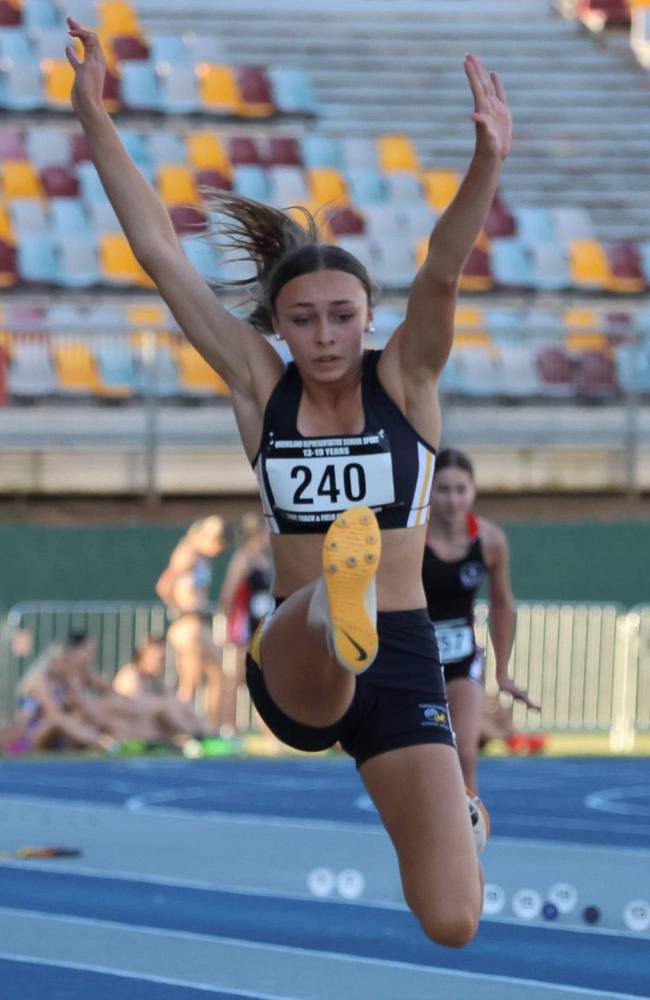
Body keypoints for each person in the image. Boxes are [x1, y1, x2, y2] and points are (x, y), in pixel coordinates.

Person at [67, 18, 510, 948]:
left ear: (367, 316)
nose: (325, 337)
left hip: (402, 661)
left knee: (454, 922)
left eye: (343, 317)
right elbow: (157, 250)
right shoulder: (259, 386)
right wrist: (91, 113)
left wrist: (486, 162)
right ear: (277, 324)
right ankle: (329, 601)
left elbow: (444, 268)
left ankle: (464, 821)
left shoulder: (409, 386)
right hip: (297, 660)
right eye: (303, 320)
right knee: (320, 612)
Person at [423, 447, 540, 791]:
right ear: (428, 491)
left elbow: (502, 603)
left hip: (461, 656)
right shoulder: (410, 539)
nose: (453, 500)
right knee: (419, 752)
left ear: (473, 491)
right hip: (416, 655)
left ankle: (467, 832)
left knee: (464, 753)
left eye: (461, 490)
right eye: (443, 490)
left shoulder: (489, 540)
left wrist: (502, 673)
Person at [154, 515, 225, 727]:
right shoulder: (187, 554)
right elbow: (164, 585)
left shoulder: (201, 558)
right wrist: (182, 607)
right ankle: (184, 726)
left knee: (217, 675)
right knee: (190, 682)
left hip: (197, 622)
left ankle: (211, 726)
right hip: (188, 624)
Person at [218, 512, 273, 736]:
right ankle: (227, 728)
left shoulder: (264, 560)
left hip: (260, 626)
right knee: (237, 678)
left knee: (262, 679)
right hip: (244, 627)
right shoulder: (242, 559)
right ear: (258, 533)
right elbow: (227, 595)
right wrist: (230, 625)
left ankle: (266, 730)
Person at [112, 634, 211, 741]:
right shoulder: (130, 674)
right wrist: (164, 704)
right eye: (158, 659)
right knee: (166, 708)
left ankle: (207, 734)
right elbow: (135, 704)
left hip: (150, 720)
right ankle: (198, 737)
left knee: (185, 704)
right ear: (143, 656)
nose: (161, 664)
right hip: (133, 723)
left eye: (163, 659)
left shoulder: (156, 678)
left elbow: (174, 699)